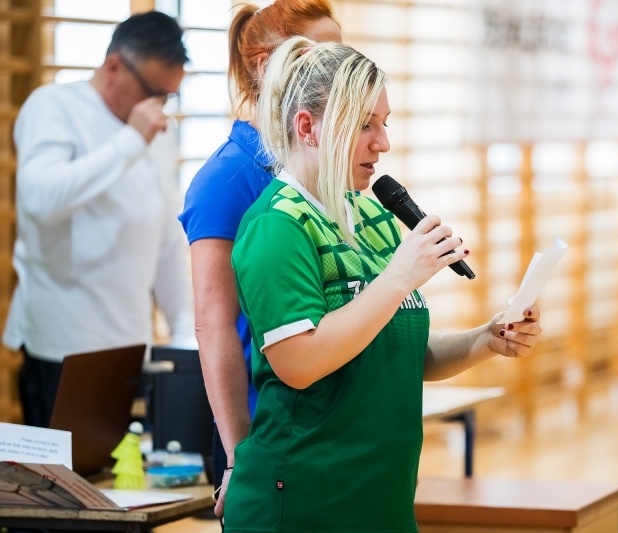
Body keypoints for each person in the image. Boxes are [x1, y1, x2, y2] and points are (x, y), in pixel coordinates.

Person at [224, 36, 542, 532]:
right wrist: (399, 276)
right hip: (304, 505)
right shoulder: (277, 226)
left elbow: (395, 349)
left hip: (381, 502)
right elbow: (301, 364)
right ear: (307, 127)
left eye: (384, 124)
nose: (383, 142)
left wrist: (486, 339)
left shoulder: (371, 212)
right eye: (364, 125)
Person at [177, 0, 341, 516]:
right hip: (261, 433)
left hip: (321, 423)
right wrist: (236, 457)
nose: (339, 67)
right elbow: (213, 326)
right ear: (270, 65)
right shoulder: (225, 180)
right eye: (322, 54)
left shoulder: (317, 165)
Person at [4, 11, 195, 429]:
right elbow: (40, 200)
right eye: (152, 92)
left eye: (168, 96)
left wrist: (185, 334)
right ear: (114, 66)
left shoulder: (153, 132)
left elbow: (164, 237)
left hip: (129, 350)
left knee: (126, 488)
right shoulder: (54, 106)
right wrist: (130, 141)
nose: (158, 106)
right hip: (60, 349)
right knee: (60, 492)